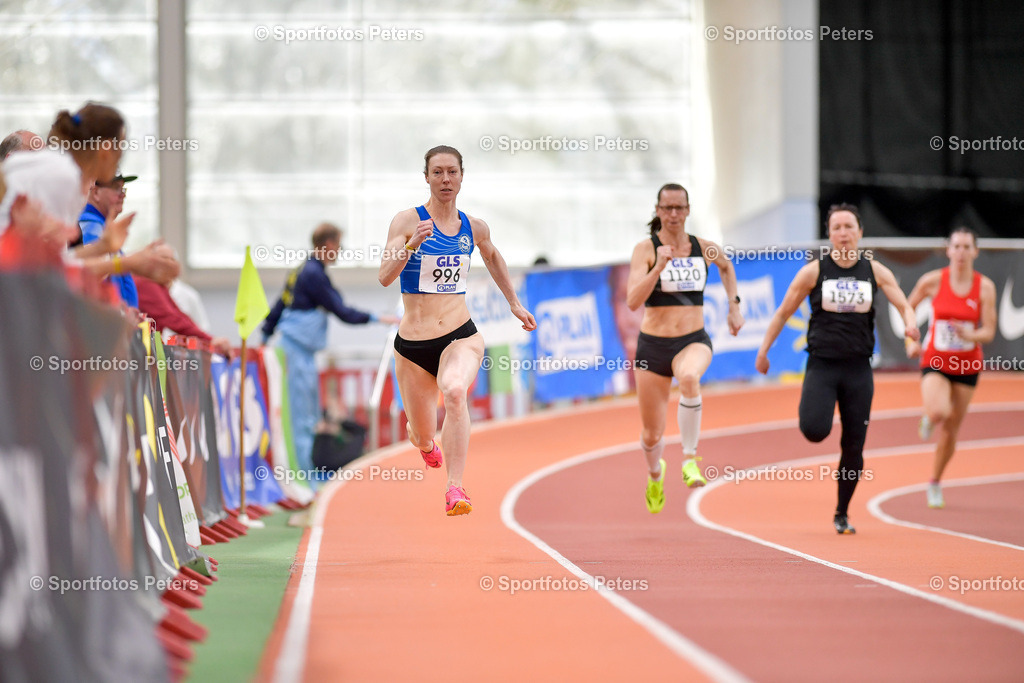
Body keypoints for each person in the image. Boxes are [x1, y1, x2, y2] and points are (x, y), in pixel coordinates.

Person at [378, 145, 536, 516]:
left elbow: (493, 256)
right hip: (413, 347)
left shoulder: (474, 227)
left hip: (459, 335)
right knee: (422, 433)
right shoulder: (405, 222)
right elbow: (385, 276)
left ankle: (455, 488)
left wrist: (514, 302)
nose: (445, 179)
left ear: (462, 177)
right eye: (438, 173)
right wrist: (411, 245)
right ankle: (423, 441)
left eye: (452, 172)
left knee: (453, 391)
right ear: (427, 178)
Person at [756, 203, 919, 534]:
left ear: (860, 232)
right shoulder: (814, 271)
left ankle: (842, 512)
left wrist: (911, 330)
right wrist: (763, 351)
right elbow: (782, 313)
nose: (843, 234)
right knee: (815, 430)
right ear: (829, 235)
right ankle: (818, 416)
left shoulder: (875, 271)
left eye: (849, 227)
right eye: (836, 228)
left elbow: (904, 305)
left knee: (854, 445)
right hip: (822, 366)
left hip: (859, 370)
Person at [625, 183, 744, 514]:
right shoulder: (645, 250)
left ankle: (690, 459)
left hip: (692, 339)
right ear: (658, 211)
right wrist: (658, 268)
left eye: (679, 208)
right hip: (653, 346)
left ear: (688, 210)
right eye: (667, 208)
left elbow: (727, 266)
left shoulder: (703, 248)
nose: (674, 214)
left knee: (690, 377)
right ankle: (654, 474)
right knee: (651, 434)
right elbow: (633, 301)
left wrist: (734, 306)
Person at [263, 222, 398, 487]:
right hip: (294, 351)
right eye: (338, 244)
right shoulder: (313, 274)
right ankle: (304, 481)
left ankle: (305, 476)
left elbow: (279, 305)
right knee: (302, 419)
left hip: (298, 350)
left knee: (308, 415)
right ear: (327, 244)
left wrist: (266, 334)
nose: (340, 250)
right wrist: (379, 318)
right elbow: (341, 311)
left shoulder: (303, 270)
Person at [904, 227, 997, 508]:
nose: (961, 252)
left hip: (968, 364)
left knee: (952, 429)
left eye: (967, 247)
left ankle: (934, 482)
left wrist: (971, 336)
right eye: (956, 246)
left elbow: (989, 332)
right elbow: (908, 308)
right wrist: (910, 342)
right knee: (939, 411)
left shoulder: (985, 287)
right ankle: (929, 416)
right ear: (948, 250)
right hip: (936, 359)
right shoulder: (932, 281)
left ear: (975, 252)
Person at [74, 172, 138, 305]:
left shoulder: (101, 227)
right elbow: (92, 282)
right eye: (116, 188)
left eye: (123, 188)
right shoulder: (92, 227)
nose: (123, 194)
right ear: (96, 193)